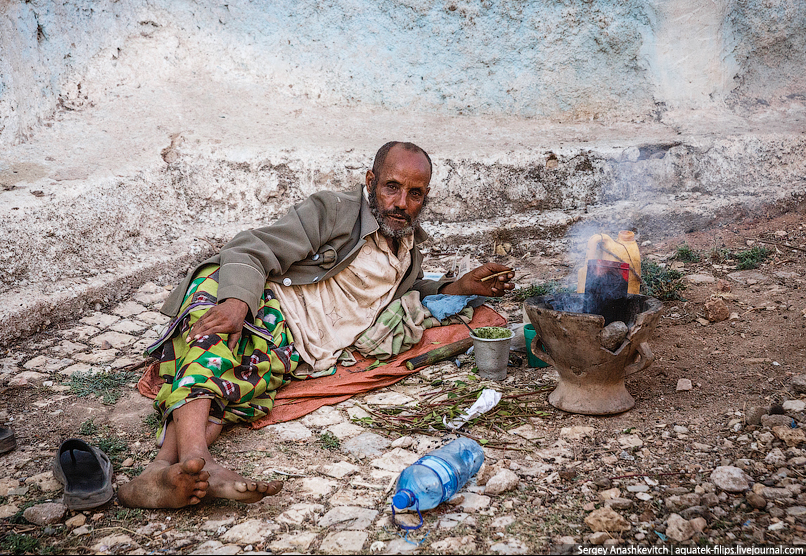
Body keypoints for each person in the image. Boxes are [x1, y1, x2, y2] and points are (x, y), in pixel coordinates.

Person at [119, 141, 515, 509]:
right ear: (371, 182)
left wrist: (460, 286)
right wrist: (237, 302)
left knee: (239, 386)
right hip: (262, 301)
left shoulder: (407, 249)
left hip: (297, 341)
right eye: (391, 187)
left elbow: (408, 289)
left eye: (415, 194)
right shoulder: (333, 211)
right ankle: (200, 459)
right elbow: (250, 248)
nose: (401, 203)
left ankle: (159, 472)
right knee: (214, 347)